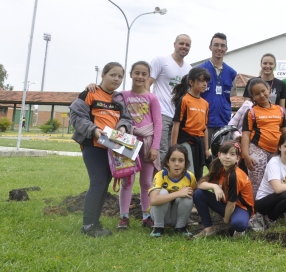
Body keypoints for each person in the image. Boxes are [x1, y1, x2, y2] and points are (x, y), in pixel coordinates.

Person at [69, 62, 134, 237]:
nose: (116, 79)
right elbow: (76, 116)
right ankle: (88, 226)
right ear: (103, 75)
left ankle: (94, 222)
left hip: (112, 148)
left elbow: (126, 118)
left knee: (104, 184)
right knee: (98, 182)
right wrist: (94, 131)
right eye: (113, 75)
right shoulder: (89, 93)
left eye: (120, 76)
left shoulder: (119, 98)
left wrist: (122, 128)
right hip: (93, 146)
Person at [118, 61, 162, 229]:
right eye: (137, 73)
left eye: (144, 74)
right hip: (128, 142)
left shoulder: (152, 98)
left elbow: (158, 124)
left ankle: (147, 216)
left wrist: (155, 147)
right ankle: (124, 216)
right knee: (127, 181)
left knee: (146, 182)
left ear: (148, 76)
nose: (140, 77)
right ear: (130, 74)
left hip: (147, 143)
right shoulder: (122, 96)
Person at [194, 140, 253, 237]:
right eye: (225, 153)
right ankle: (209, 229)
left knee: (239, 224)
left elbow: (231, 204)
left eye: (232, 154)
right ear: (219, 155)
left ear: (238, 158)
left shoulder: (235, 175)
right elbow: (199, 184)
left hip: (241, 208)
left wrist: (226, 220)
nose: (227, 157)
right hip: (226, 204)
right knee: (198, 194)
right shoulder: (220, 168)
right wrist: (214, 186)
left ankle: (241, 225)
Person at [148, 34, 192, 161]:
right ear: (174, 44)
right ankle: (158, 174)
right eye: (181, 43)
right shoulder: (161, 60)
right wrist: (149, 107)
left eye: (187, 45)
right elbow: (147, 83)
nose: (184, 46)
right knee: (161, 152)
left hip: (177, 118)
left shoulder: (189, 69)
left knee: (173, 153)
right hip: (161, 113)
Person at [241, 79, 285, 196]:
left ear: (269, 90)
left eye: (263, 91)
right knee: (256, 182)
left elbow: (284, 130)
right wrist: (245, 155)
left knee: (274, 180)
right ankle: (255, 206)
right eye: (257, 94)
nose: (261, 95)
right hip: (258, 148)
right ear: (253, 97)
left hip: (276, 151)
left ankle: (270, 205)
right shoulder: (251, 112)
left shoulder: (280, 110)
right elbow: (245, 135)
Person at [170, 67, 211, 180]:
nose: (204, 84)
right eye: (201, 80)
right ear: (191, 82)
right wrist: (173, 148)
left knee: (198, 175)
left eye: (206, 81)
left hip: (199, 143)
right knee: (189, 173)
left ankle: (196, 192)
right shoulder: (185, 100)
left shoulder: (205, 103)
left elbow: (205, 127)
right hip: (185, 140)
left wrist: (206, 149)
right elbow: (176, 124)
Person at [148, 144, 197, 237]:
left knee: (188, 194)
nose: (177, 164)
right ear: (167, 162)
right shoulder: (160, 175)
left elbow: (195, 195)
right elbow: (153, 200)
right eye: (173, 160)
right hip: (160, 216)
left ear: (186, 162)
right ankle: (158, 228)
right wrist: (179, 193)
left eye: (181, 160)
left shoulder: (190, 177)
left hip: (176, 217)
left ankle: (181, 227)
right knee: (162, 192)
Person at [198, 33, 237, 139]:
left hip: (224, 123)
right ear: (210, 47)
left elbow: (232, 96)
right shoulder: (199, 70)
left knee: (224, 150)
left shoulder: (232, 73)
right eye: (216, 45)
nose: (219, 48)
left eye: (222, 45)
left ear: (226, 49)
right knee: (204, 150)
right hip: (203, 122)